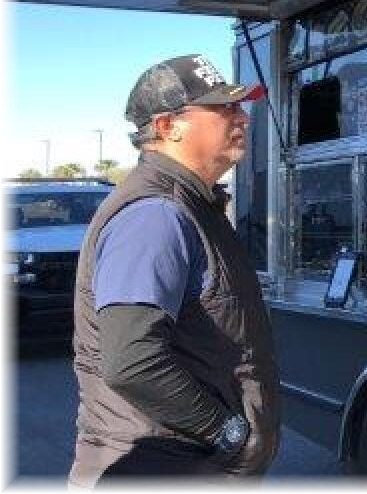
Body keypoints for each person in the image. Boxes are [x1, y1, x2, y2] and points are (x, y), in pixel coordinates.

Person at [68, 54, 280, 493]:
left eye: (239, 106)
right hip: (164, 475)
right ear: (168, 126)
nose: (242, 117)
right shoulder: (155, 216)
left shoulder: (193, 204)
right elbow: (132, 361)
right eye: (223, 108)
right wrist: (226, 432)